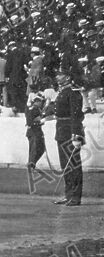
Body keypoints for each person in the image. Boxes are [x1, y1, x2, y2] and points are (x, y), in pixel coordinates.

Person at [52, 71, 84, 206]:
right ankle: (68, 194)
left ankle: (75, 197)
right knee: (65, 165)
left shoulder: (73, 92)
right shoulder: (62, 91)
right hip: (61, 130)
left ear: (68, 77)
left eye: (60, 74)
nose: (57, 76)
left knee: (74, 165)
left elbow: (76, 115)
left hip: (70, 132)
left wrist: (76, 135)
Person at [25, 94, 48, 192]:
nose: (40, 103)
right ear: (36, 102)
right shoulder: (33, 109)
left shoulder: (37, 110)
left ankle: (32, 164)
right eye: (39, 102)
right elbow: (30, 122)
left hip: (37, 132)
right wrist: (40, 122)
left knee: (40, 149)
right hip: (33, 132)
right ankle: (31, 165)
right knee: (34, 149)